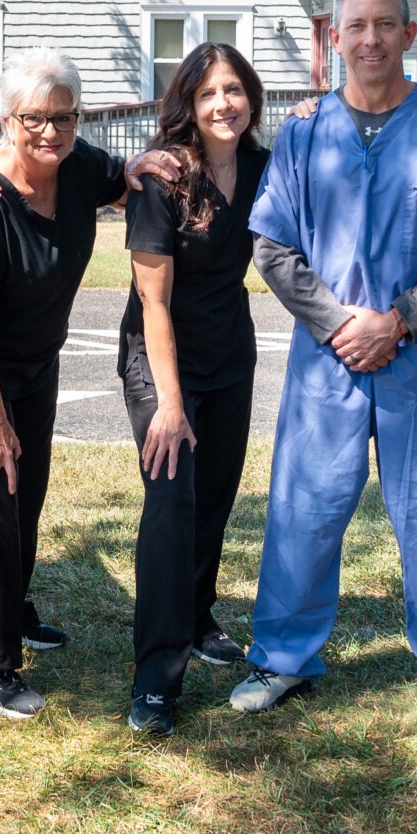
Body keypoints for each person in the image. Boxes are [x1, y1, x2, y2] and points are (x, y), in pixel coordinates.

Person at [234, 0, 417, 736]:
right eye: (354, 26)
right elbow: (273, 244)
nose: (369, 39)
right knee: (304, 504)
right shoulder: (303, 131)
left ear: (409, 35)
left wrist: (400, 319)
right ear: (334, 37)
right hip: (326, 357)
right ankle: (284, 654)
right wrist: (339, 323)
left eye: (385, 24)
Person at [0, 49, 168, 721]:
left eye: (65, 117)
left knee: (28, 489)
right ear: (7, 120)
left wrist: (139, 169)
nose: (52, 132)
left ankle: (12, 609)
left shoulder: (79, 164)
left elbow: (119, 182)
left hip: (36, 355)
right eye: (35, 119)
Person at [118, 43, 272, 737]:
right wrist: (170, 404)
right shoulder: (163, 179)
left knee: (213, 496)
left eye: (234, 89)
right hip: (160, 359)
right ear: (187, 102)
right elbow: (154, 302)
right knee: (172, 504)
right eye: (209, 93)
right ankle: (155, 677)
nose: (223, 104)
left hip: (230, 352)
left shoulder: (264, 168)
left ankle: (198, 611)